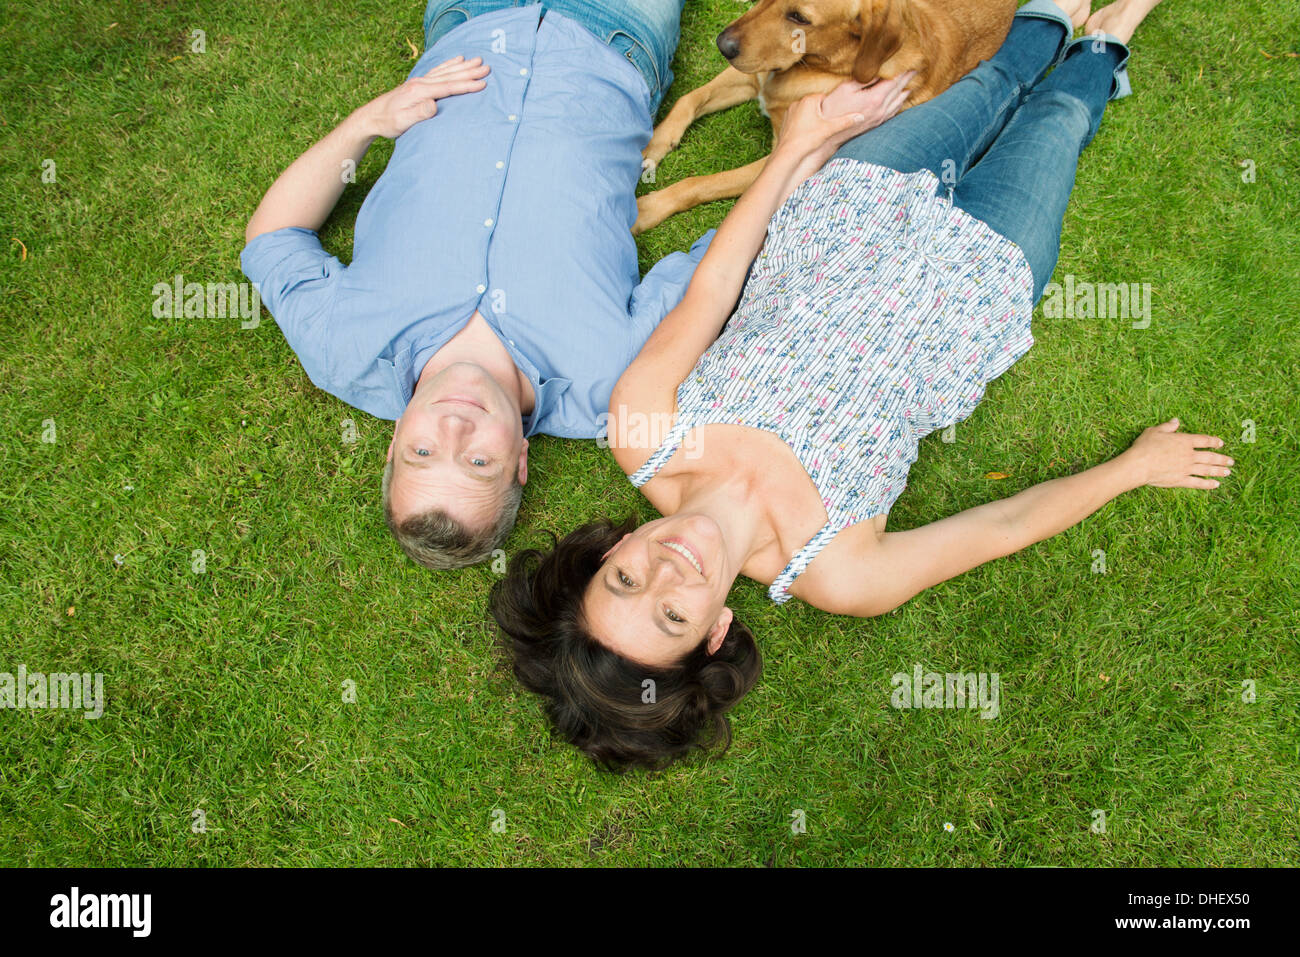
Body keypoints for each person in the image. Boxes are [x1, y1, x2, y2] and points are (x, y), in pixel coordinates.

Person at [490, 0, 1231, 770]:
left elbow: (713, 290)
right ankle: (1109, 38)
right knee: (1060, 119)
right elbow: (1005, 525)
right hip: (983, 278)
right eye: (671, 612)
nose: (668, 567)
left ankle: (1048, 17)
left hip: (856, 197)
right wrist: (1131, 468)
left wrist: (797, 149)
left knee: (997, 76)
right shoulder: (838, 571)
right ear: (715, 632)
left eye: (625, 578)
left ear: (611, 550)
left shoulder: (642, 429)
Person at [241, 0, 701, 569]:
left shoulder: (342, 347)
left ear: (393, 444)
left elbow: (271, 240)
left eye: (424, 451)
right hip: (616, 36)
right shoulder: (611, 382)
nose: (455, 427)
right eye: (478, 463)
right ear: (521, 462)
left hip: (474, 22)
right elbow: (717, 269)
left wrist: (368, 123)